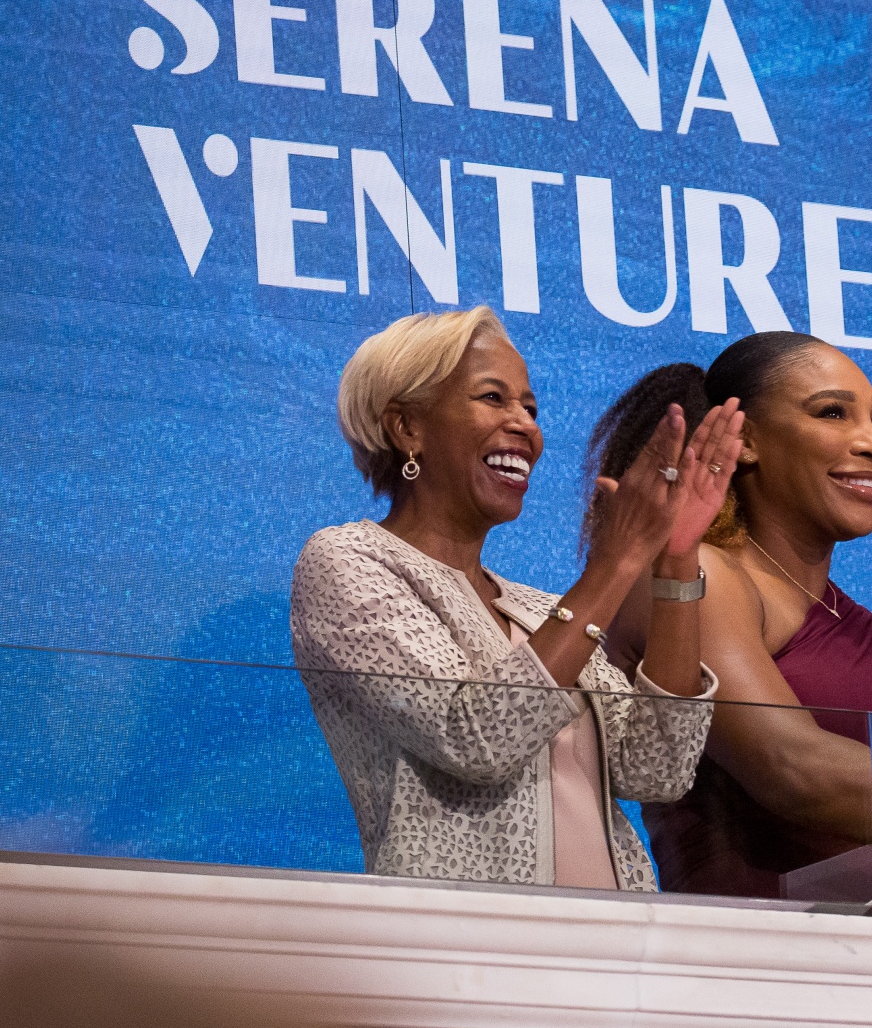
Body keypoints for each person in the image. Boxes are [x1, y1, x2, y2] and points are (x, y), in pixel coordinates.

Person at [290, 305, 743, 891]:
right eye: (493, 398)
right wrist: (615, 563)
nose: (525, 426)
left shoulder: (537, 608)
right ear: (407, 427)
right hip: (467, 947)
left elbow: (658, 769)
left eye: (530, 408)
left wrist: (677, 557)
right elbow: (475, 738)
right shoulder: (348, 561)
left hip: (616, 945)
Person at [587, 333, 872, 898]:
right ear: (745, 440)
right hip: (765, 963)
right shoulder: (696, 576)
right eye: (833, 413)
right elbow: (793, 767)